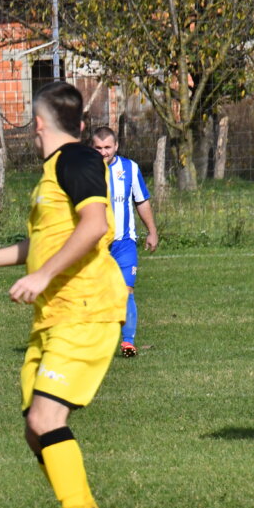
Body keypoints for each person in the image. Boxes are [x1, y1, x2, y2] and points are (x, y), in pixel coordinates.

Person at [0, 81, 124, 508]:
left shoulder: (76, 159)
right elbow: (50, 239)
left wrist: (45, 275)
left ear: (39, 123)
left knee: (47, 419)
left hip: (85, 309)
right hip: (54, 316)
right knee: (36, 428)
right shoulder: (54, 172)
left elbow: (93, 226)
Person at [90, 126, 159, 358]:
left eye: (107, 147)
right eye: (98, 148)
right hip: (94, 245)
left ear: (116, 146)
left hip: (124, 243)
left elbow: (142, 201)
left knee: (126, 290)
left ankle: (128, 342)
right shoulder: (85, 171)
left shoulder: (130, 168)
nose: (103, 152)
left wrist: (152, 231)